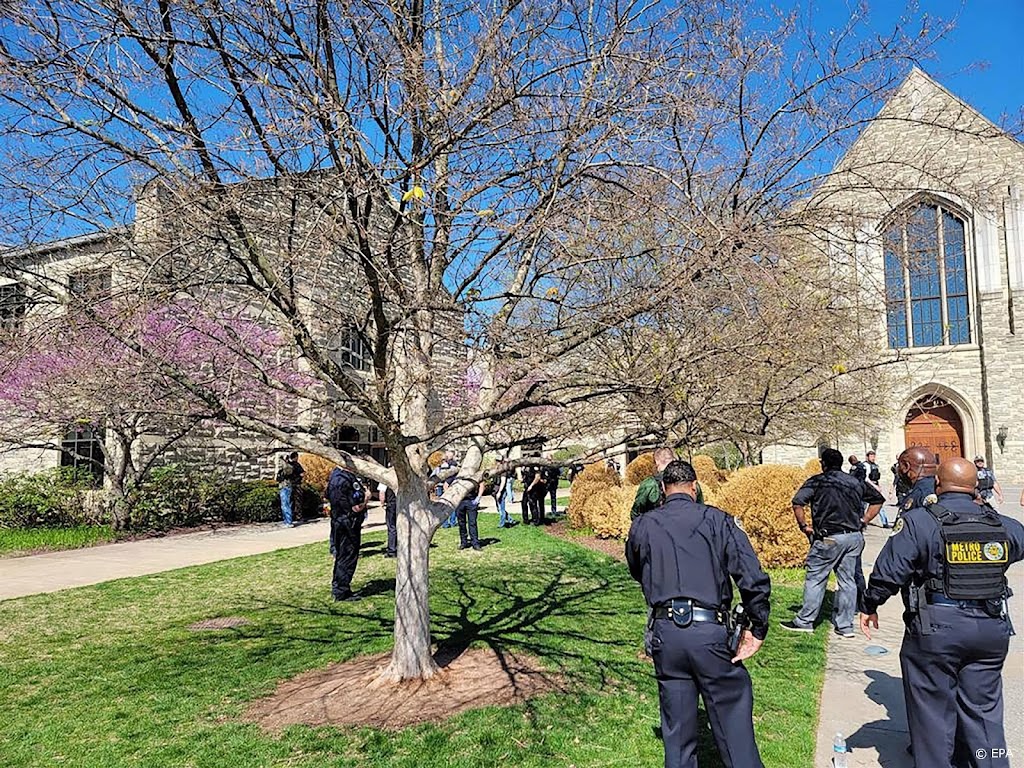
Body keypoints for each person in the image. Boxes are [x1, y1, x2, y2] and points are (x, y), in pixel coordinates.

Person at [860, 457, 1024, 768]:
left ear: (938, 485)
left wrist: (871, 604)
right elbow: (1018, 543)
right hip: (990, 628)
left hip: (938, 629)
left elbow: (890, 570)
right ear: (976, 487)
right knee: (985, 713)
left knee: (932, 716)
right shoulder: (1002, 524)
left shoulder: (920, 521)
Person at [626, 460, 771, 768]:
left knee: (677, 735)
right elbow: (751, 577)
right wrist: (758, 628)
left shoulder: (643, 524)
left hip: (667, 633)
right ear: (694, 488)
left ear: (664, 490)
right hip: (710, 633)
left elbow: (636, 568)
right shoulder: (718, 521)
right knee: (733, 726)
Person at [781, 448, 884, 638]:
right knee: (847, 581)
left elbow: (798, 503)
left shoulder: (817, 481)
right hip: (853, 537)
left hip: (828, 538)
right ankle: (845, 626)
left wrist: (804, 526)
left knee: (816, 578)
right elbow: (878, 500)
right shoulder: (854, 482)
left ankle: (805, 621)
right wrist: (865, 520)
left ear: (823, 464)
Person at [327, 466, 367, 602]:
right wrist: (366, 498)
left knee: (342, 555)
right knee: (347, 556)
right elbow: (355, 507)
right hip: (348, 523)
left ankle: (340, 587)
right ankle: (341, 590)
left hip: (340, 521)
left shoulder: (336, 476)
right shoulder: (343, 479)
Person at [631, 447, 676, 519]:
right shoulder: (689, 481)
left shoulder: (649, 484)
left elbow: (636, 513)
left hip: (656, 526)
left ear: (656, 462)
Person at [895, 446, 937, 515]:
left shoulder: (921, 493)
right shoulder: (936, 486)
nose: (899, 469)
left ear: (906, 466)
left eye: (899, 465)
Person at [276, 451, 304, 527]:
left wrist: (284, 461)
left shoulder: (289, 467)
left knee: (286, 504)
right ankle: (286, 521)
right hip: (283, 486)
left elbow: (288, 471)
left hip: (286, 486)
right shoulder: (285, 467)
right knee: (284, 504)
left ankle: (289, 522)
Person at [864, 450, 889, 527]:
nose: (873, 458)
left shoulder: (875, 465)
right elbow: (866, 478)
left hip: (875, 484)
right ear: (867, 457)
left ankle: (885, 522)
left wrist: (878, 485)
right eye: (871, 456)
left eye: (874, 456)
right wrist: (874, 486)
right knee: (864, 505)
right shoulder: (866, 465)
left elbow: (876, 477)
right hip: (868, 486)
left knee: (878, 503)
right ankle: (862, 521)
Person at [456, 482, 482, 550]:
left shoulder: (474, 474)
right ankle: (463, 542)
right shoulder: (458, 476)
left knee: (472, 523)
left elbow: (482, 484)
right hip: (460, 502)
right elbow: (446, 485)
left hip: (471, 501)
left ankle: (475, 543)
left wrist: (478, 498)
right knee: (461, 523)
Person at [378, 481, 397, 558]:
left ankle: (392, 550)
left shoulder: (385, 478)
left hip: (391, 504)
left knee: (392, 527)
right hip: (401, 504)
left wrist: (382, 503)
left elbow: (382, 492)